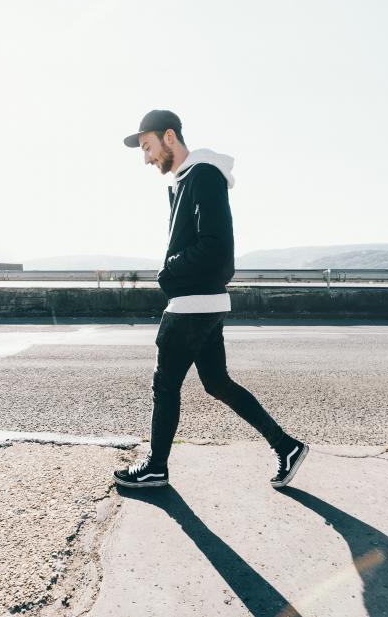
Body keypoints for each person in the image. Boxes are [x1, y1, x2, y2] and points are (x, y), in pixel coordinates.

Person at [113, 110, 308, 489]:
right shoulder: (187, 180)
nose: (146, 158)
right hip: (204, 303)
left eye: (148, 147)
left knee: (165, 384)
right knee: (216, 383)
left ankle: (156, 466)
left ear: (170, 137)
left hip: (192, 304)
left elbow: (217, 248)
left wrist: (168, 270)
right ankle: (286, 447)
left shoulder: (203, 176)